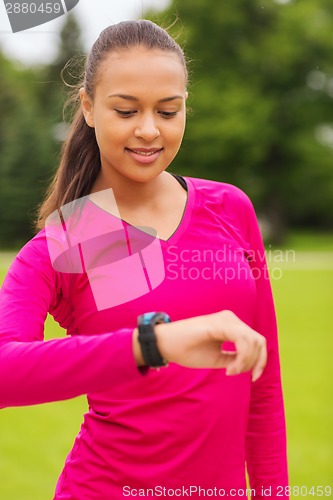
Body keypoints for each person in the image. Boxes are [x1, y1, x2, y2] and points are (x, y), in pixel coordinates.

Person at [0, 20, 288, 499]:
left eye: (168, 111)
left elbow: (263, 380)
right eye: (127, 110)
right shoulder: (76, 240)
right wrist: (151, 344)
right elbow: (6, 375)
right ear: (89, 108)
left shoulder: (228, 208)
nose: (149, 130)